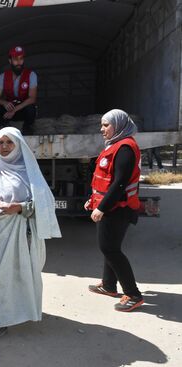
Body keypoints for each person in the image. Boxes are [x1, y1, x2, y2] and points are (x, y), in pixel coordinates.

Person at [0, 127, 61, 343]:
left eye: (9, 142)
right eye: (0, 142)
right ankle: (0, 320)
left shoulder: (29, 172)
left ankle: (18, 313)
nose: (4, 147)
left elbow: (44, 204)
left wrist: (18, 207)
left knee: (20, 275)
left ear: (18, 145)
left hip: (21, 234)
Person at [85, 109, 144, 312]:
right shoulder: (116, 145)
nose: (102, 129)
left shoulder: (126, 148)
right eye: (101, 125)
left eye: (106, 125)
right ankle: (109, 285)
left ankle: (133, 294)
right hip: (112, 206)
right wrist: (92, 200)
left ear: (118, 125)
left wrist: (101, 207)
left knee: (110, 249)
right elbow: (106, 181)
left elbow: (119, 184)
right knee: (110, 246)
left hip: (118, 208)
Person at [0, 46, 37, 135]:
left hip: (22, 109)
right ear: (10, 61)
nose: (19, 62)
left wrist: (15, 110)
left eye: (21, 59)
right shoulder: (3, 76)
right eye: (15, 59)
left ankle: (27, 128)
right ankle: (4, 127)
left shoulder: (31, 75)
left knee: (31, 109)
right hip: (9, 108)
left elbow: (32, 98)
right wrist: (4, 103)